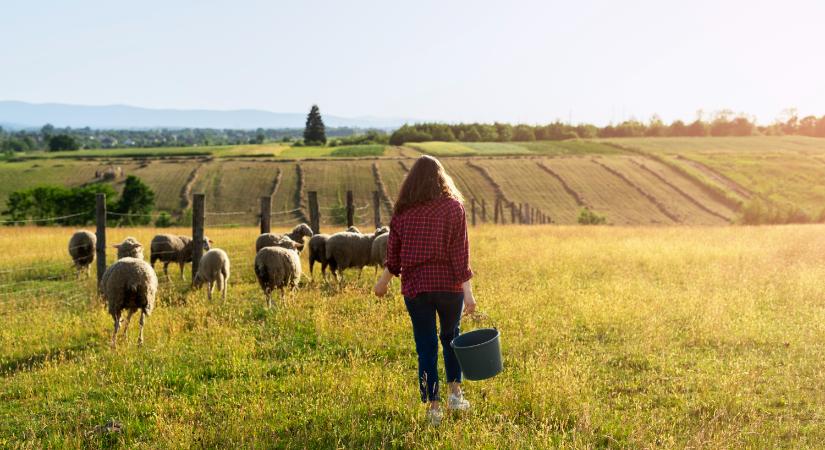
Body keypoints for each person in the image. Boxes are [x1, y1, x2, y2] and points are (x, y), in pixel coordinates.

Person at [374, 155, 477, 426]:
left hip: (416, 288)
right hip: (449, 287)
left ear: (412, 181)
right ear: (441, 177)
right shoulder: (454, 208)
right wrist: (468, 293)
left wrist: (382, 282)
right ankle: (455, 394)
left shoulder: (402, 212)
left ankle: (433, 408)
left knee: (426, 347)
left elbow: (393, 259)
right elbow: (459, 254)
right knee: (451, 338)